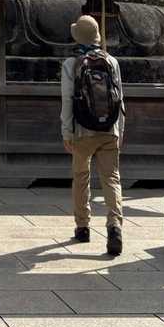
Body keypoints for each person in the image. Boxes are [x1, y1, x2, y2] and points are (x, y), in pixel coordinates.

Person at [61, 13, 125, 255]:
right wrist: (120, 130)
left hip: (82, 130)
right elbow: (120, 99)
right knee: (112, 178)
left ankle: (83, 226)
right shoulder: (112, 61)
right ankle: (114, 225)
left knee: (81, 176)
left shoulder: (71, 64)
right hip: (110, 129)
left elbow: (67, 101)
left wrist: (66, 132)